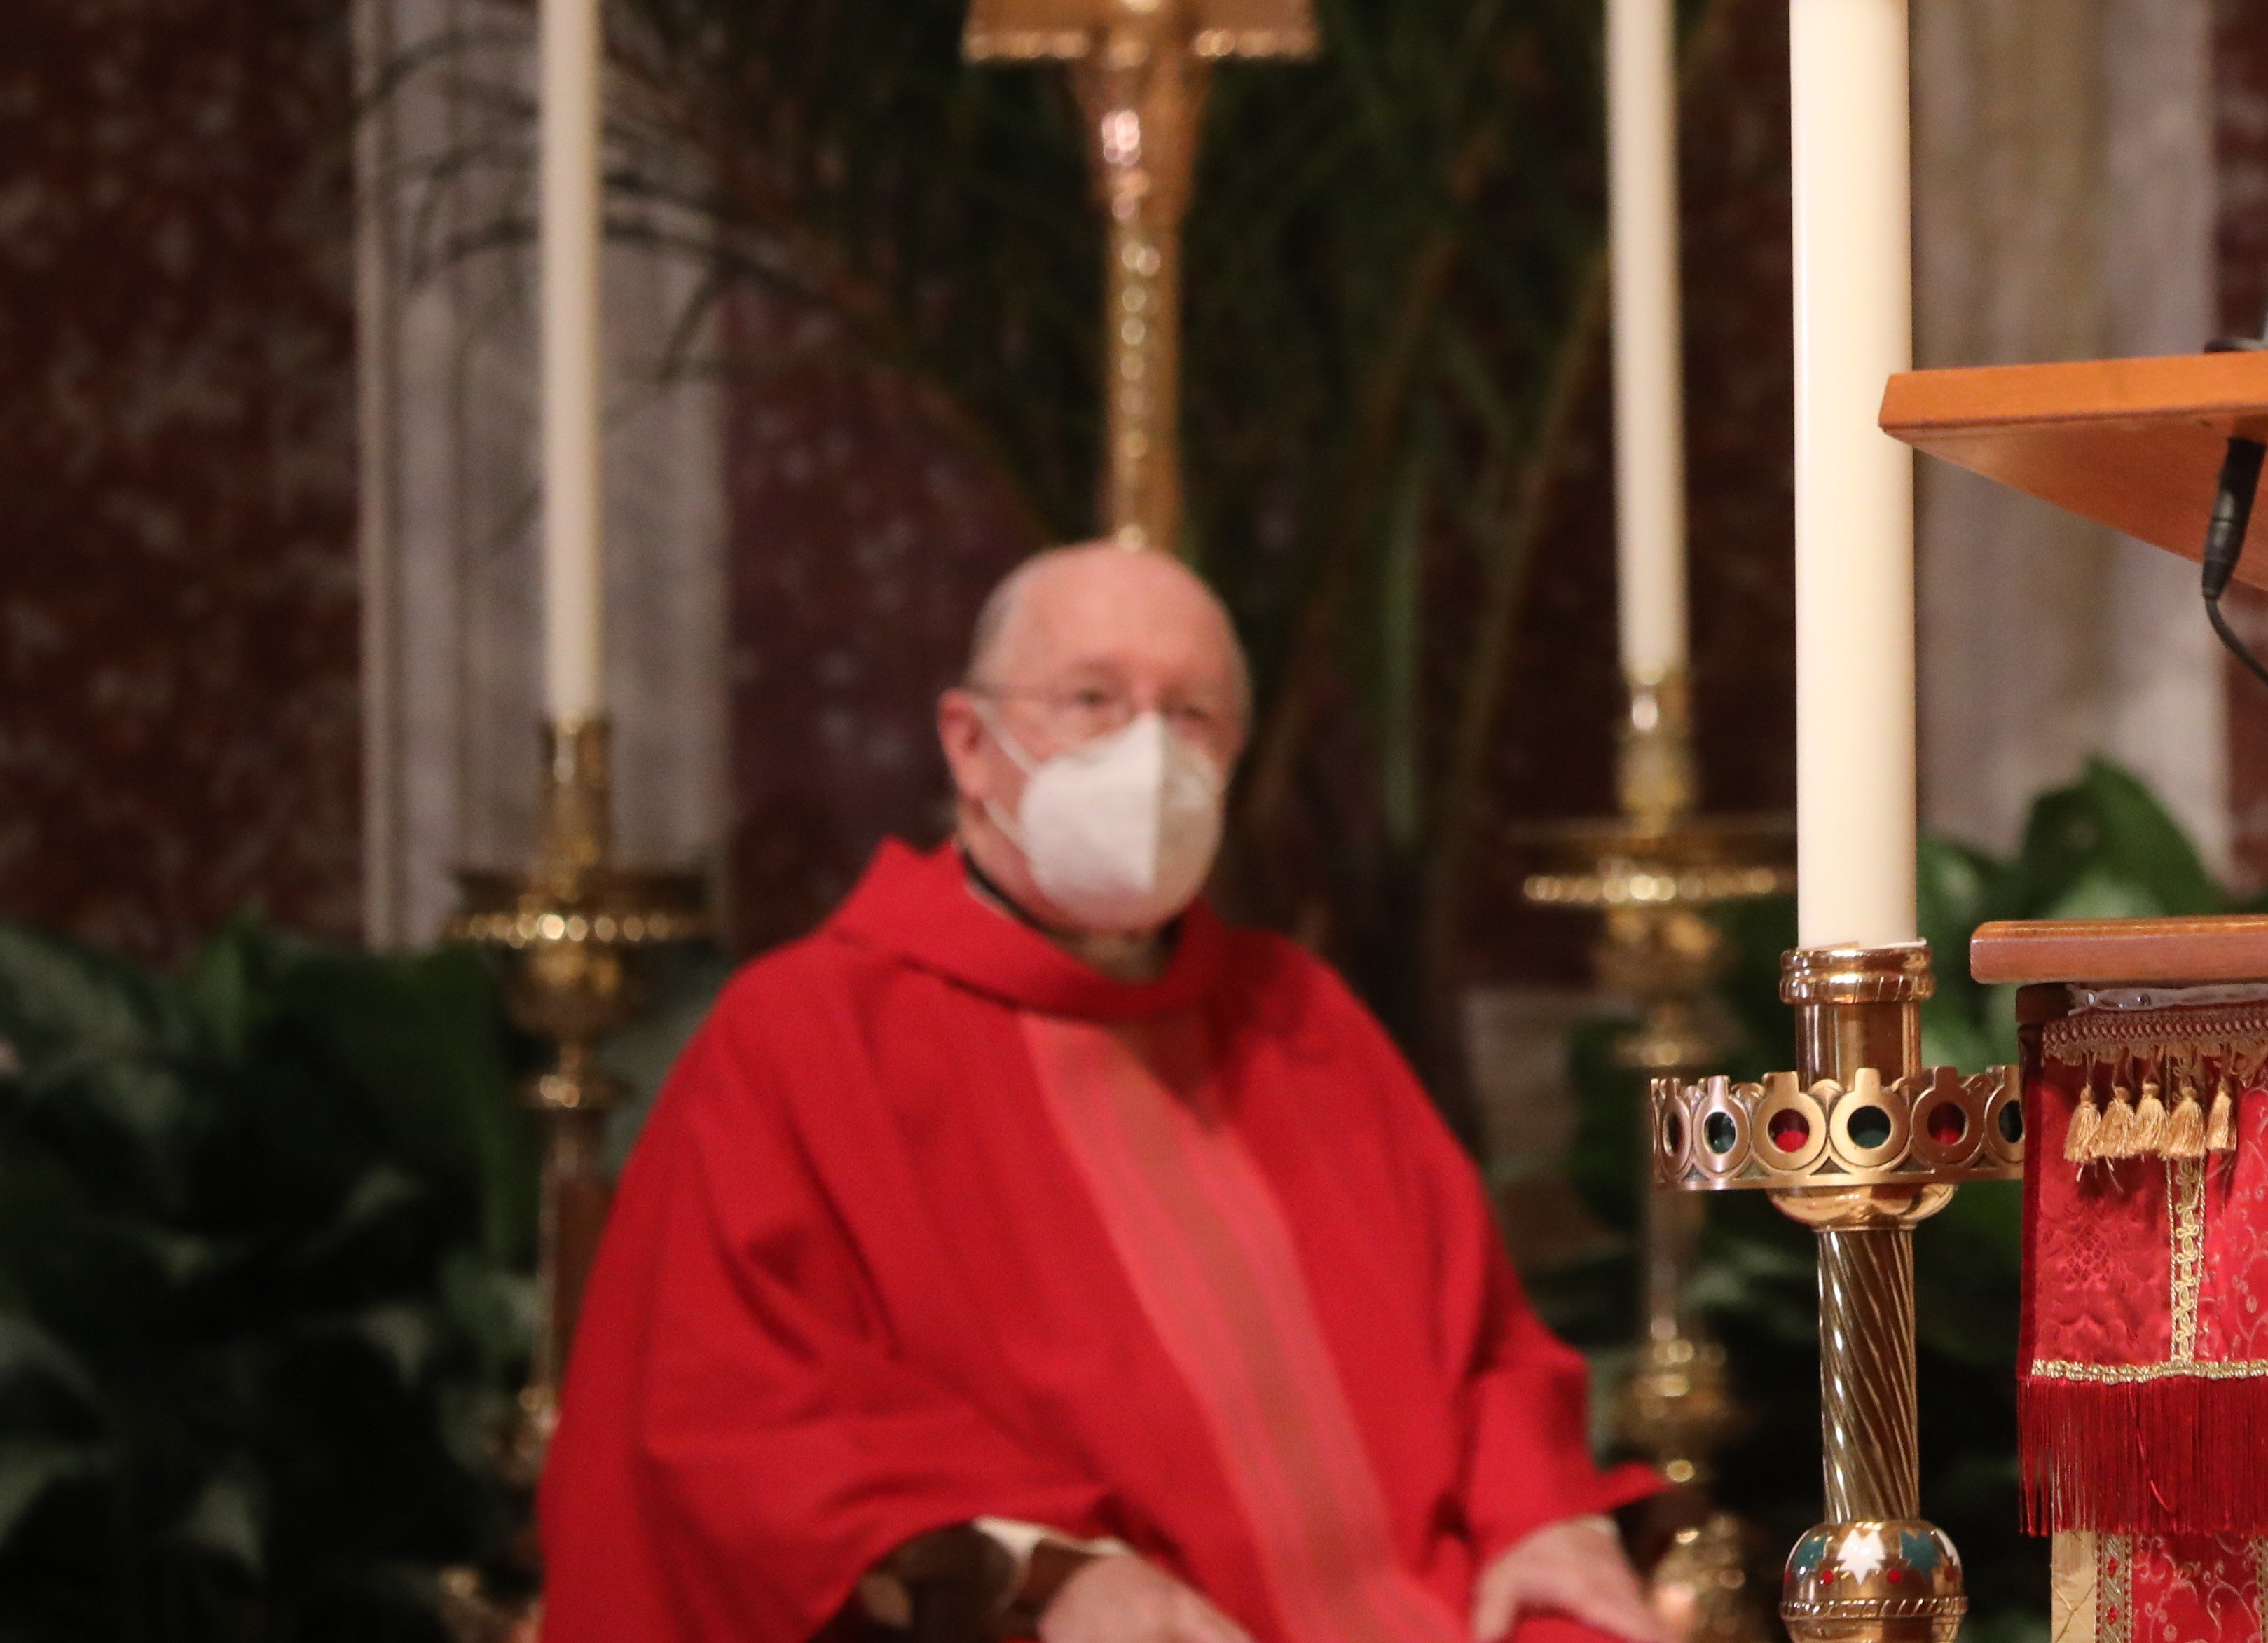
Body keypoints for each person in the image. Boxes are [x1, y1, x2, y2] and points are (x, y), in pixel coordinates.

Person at [542, 543, 1663, 1643]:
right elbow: (742, 1413)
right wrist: (1048, 1573)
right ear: (969, 744)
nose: (1147, 753)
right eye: (1091, 699)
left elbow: (1484, 1349)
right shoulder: (806, 1036)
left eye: (1190, 716)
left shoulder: (1298, 1018)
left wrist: (1544, 1517)